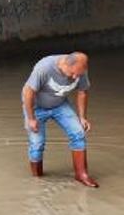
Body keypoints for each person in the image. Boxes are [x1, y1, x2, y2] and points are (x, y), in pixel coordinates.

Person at [21, 52, 98, 187]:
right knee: (37, 143)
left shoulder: (80, 70)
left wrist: (82, 117)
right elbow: (28, 92)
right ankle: (37, 178)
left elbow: (82, 92)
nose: (75, 78)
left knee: (78, 132)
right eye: (73, 73)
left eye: (78, 75)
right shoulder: (44, 68)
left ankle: (81, 174)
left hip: (60, 105)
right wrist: (31, 118)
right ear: (66, 64)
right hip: (37, 107)